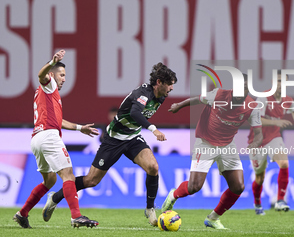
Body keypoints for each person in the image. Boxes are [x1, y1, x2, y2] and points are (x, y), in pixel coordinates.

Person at [42, 63, 177, 226]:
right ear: (159, 82)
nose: (171, 89)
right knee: (91, 181)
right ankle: (55, 197)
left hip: (133, 137)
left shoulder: (162, 96)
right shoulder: (142, 93)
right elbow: (135, 113)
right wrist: (153, 129)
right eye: (169, 85)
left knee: (153, 167)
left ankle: (149, 209)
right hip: (113, 139)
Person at [161, 76, 263, 230]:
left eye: (245, 88)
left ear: (248, 90)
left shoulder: (252, 107)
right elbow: (197, 99)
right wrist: (179, 106)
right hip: (206, 142)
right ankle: (174, 195)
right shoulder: (219, 95)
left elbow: (259, 133)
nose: (241, 91)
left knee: (238, 186)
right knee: (194, 186)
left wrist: (255, 143)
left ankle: (213, 218)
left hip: (228, 145)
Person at [13, 50, 99, 228]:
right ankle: (76, 216)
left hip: (37, 138)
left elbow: (58, 120)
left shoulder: (45, 95)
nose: (64, 79)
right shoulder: (49, 83)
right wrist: (52, 61)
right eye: (62, 75)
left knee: (50, 180)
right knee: (68, 175)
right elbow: (40, 75)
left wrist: (79, 127)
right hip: (49, 136)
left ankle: (22, 213)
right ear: (52, 74)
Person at [247, 70, 294, 215]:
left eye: (283, 81)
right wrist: (277, 121)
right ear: (273, 83)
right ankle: (258, 203)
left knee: (284, 163)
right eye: (278, 81)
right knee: (260, 177)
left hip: (274, 138)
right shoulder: (264, 98)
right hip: (257, 141)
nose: (280, 84)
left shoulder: (286, 100)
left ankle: (280, 200)